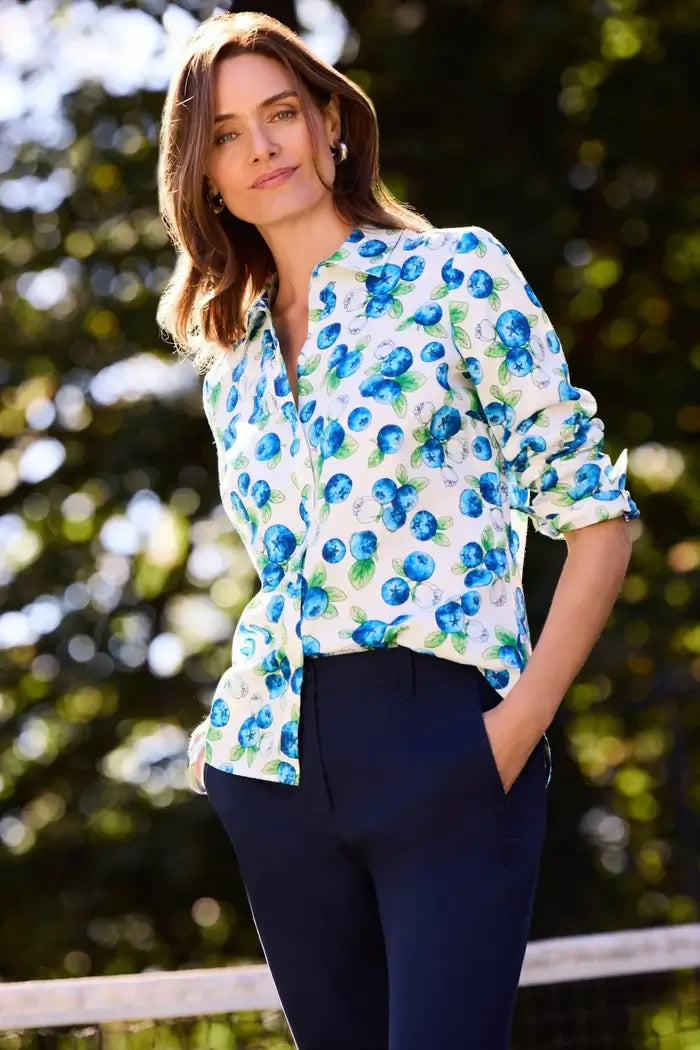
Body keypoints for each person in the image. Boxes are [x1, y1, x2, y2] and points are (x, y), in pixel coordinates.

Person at [157, 11, 639, 1050]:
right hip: (271, 764)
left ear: (331, 122)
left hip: (443, 740)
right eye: (228, 136)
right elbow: (283, 572)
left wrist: (512, 734)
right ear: (201, 178)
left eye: (280, 114)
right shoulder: (228, 357)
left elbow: (598, 520)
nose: (263, 149)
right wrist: (222, 757)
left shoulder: (454, 275)